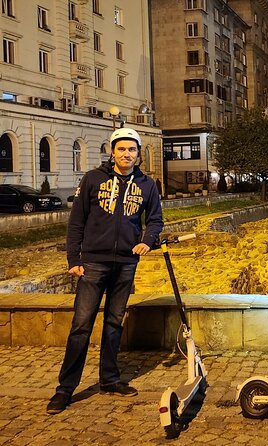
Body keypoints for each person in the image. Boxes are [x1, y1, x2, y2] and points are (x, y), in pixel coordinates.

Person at [47, 127, 164, 414]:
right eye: (122, 149)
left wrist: (146, 242)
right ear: (112, 152)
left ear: (138, 154)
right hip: (93, 263)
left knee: (114, 324)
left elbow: (156, 220)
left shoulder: (147, 185)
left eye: (132, 150)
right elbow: (76, 222)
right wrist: (73, 258)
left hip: (126, 263)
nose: (127, 154)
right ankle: (65, 389)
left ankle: (109, 380)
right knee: (81, 326)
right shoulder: (92, 179)